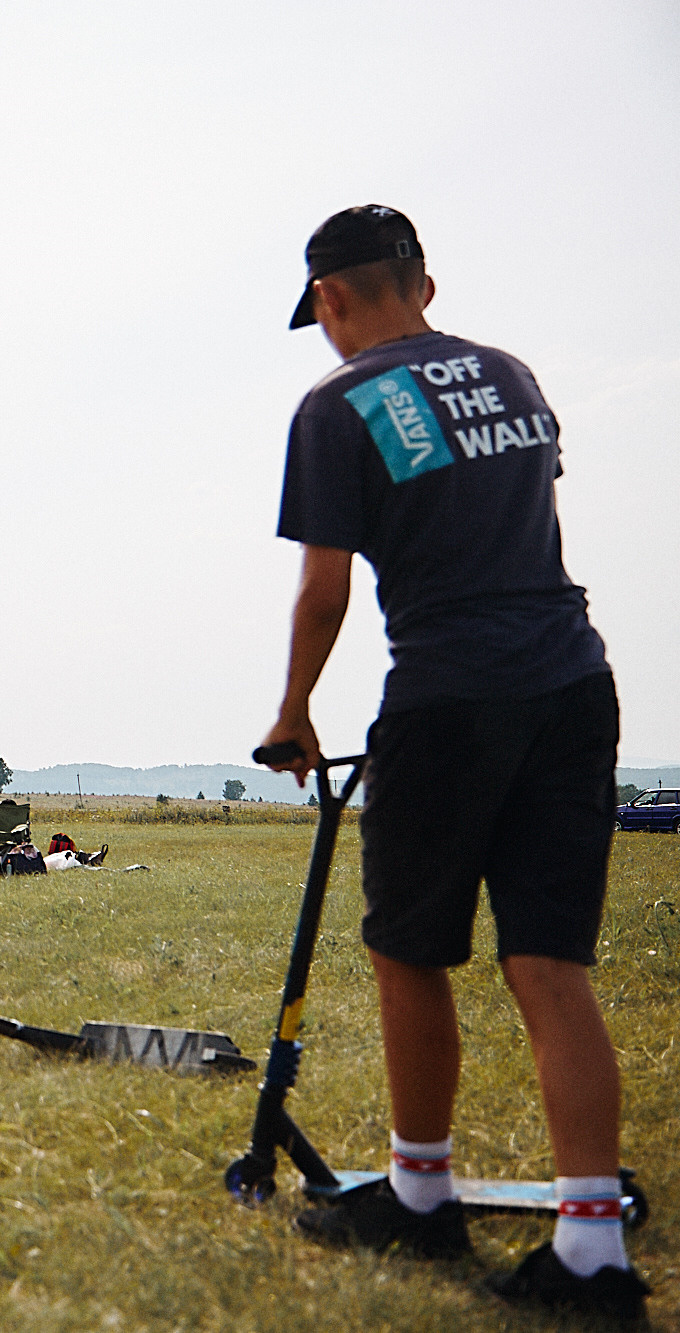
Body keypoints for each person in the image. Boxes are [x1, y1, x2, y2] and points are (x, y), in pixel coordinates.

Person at [260, 205, 646, 1318]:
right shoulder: (514, 377)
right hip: (572, 683)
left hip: (446, 696)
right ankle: (588, 1251)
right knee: (546, 963)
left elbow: (325, 587)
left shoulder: (334, 406)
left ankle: (420, 1193)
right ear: (420, 283)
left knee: (407, 948)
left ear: (330, 300)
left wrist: (291, 710)